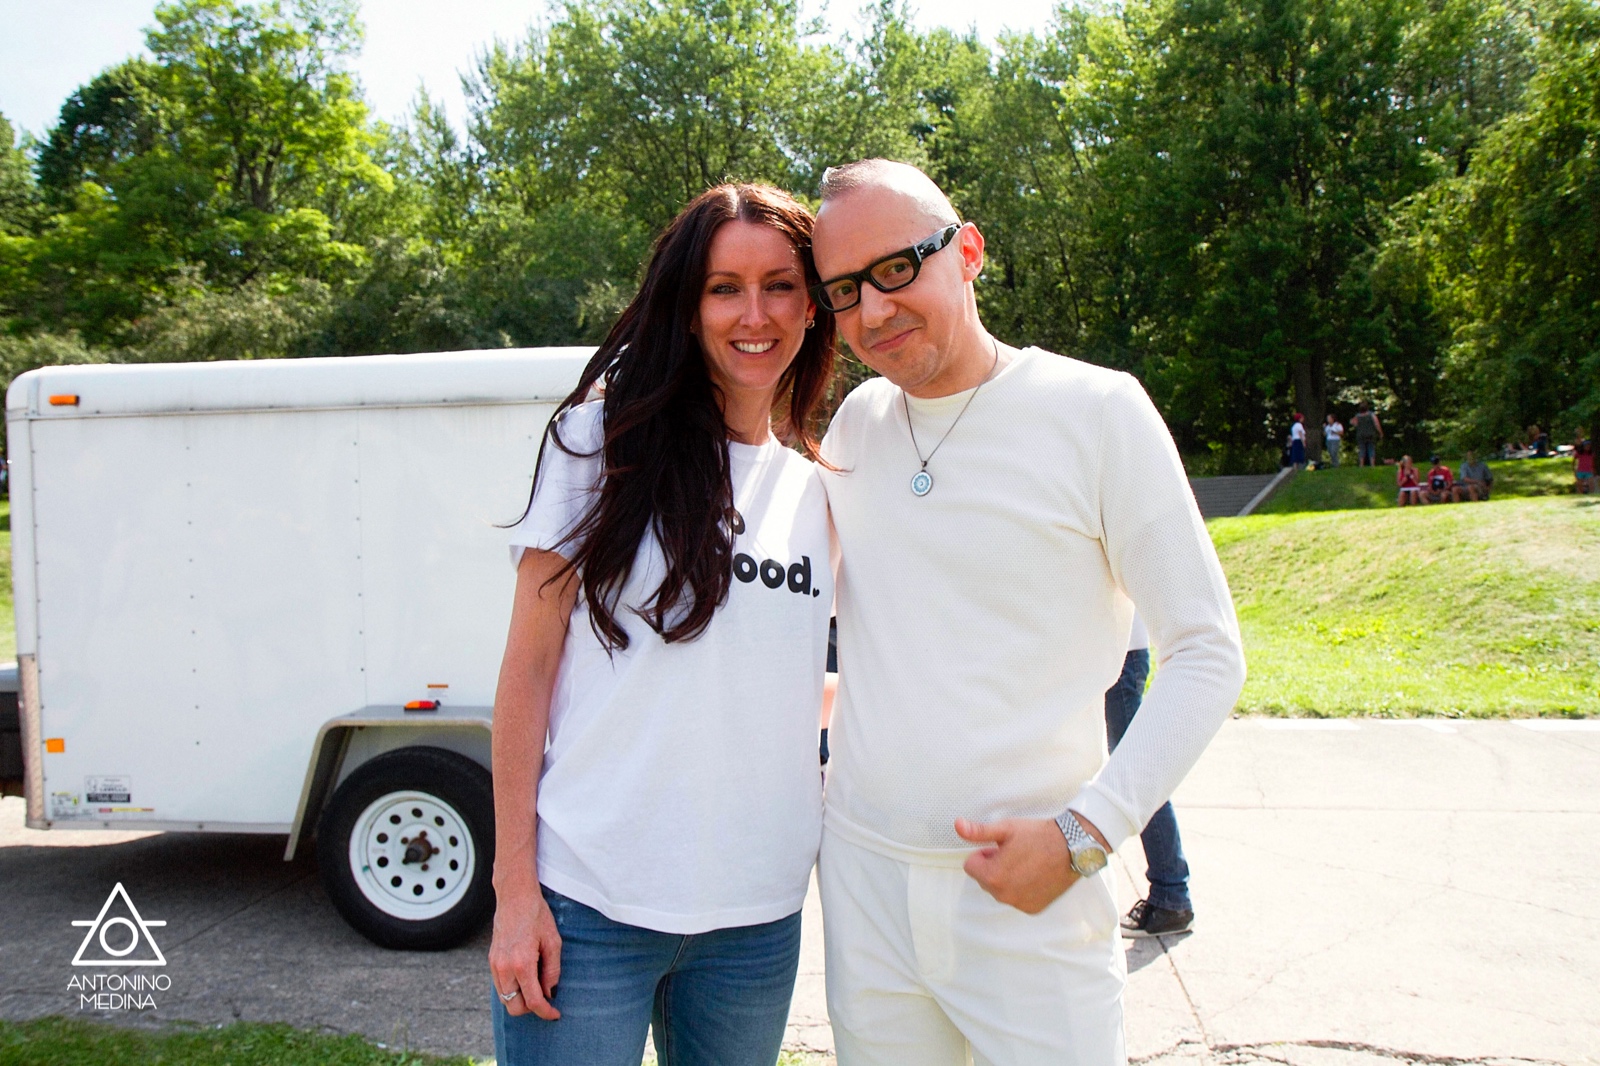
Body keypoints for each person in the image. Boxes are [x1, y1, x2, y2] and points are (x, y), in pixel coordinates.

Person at [811, 159, 1245, 1065]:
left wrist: (1089, 834)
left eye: (897, 269)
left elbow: (1207, 651)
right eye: (844, 291)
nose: (874, 312)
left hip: (1035, 901)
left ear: (967, 252)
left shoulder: (1097, 412)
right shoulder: (855, 423)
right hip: (864, 889)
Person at [488, 183, 837, 1066]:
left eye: (779, 285)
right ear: (685, 308)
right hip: (588, 907)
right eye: (724, 287)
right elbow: (527, 672)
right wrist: (513, 889)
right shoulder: (598, 445)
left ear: (812, 302)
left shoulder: (822, 491)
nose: (753, 314)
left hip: (755, 924)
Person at [1104, 613, 1193, 937]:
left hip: (1119, 655)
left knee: (1138, 773)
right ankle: (1172, 893)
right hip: (1114, 652)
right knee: (1135, 770)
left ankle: (1172, 897)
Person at [1353, 401, 1383, 466]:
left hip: (1360, 435)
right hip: (1371, 434)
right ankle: (1372, 464)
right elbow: (1377, 424)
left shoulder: (1357, 416)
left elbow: (1354, 424)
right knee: (1371, 449)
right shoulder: (1371, 414)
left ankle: (1361, 464)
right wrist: (1380, 433)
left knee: (1362, 449)